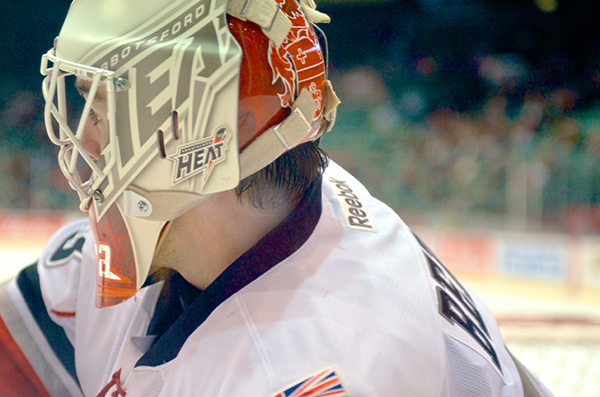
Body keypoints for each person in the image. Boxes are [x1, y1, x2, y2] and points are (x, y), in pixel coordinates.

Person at [0, 0, 553, 395]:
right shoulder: (220, 232)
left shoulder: (310, 367)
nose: (85, 138)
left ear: (194, 130)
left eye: (100, 107)